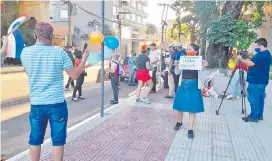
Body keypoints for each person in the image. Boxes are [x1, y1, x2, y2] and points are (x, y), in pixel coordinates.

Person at [20, 22, 89, 161]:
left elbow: (30, 73)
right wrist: (83, 61)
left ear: (35, 35)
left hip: (37, 103)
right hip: (56, 103)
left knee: (35, 139)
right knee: (58, 140)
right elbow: (74, 76)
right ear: (51, 37)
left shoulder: (25, 52)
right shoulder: (60, 53)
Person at [173, 44, 208, 139]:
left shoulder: (199, 61)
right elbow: (177, 72)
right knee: (180, 106)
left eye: (190, 49)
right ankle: (178, 122)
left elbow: (203, 73)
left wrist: (204, 65)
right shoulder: (183, 59)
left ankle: (190, 129)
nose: (188, 51)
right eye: (187, 49)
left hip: (194, 86)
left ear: (196, 52)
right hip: (183, 84)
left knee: (192, 108)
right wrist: (177, 65)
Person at [237, 38, 271, 122]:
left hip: (256, 81)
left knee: (253, 98)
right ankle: (259, 115)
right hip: (262, 81)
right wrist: (249, 58)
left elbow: (250, 63)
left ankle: (254, 117)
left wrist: (241, 59)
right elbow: (256, 62)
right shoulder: (267, 54)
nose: (256, 47)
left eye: (257, 46)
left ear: (262, 46)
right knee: (260, 98)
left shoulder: (261, 54)